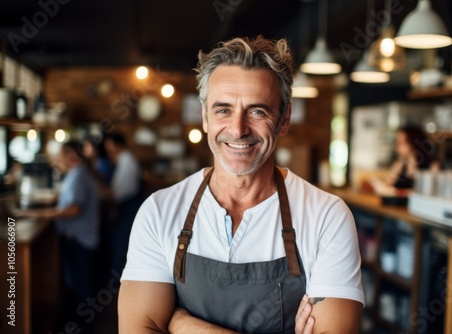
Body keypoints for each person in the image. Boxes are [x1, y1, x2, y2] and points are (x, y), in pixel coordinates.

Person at [118, 36, 364, 333]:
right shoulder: (159, 211)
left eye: (257, 111)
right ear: (205, 118)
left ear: (284, 119)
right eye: (223, 110)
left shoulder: (327, 217)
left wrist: (182, 325)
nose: (237, 129)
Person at [15, 141, 100, 332]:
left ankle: (86, 325)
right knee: (77, 280)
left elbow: (74, 209)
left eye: (62, 154)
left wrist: (40, 213)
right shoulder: (77, 173)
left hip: (80, 237)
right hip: (80, 235)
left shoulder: (78, 176)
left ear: (72, 155)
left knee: (81, 282)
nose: (60, 158)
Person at [103, 133, 143, 277]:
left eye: (109, 145)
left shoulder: (127, 162)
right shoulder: (123, 160)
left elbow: (118, 192)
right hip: (126, 206)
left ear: (117, 145)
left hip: (129, 207)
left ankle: (118, 282)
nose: (108, 149)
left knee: (121, 243)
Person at [371, 125, 439, 196]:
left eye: (401, 142)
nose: (397, 146)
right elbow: (388, 182)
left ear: (413, 143)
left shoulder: (432, 164)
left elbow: (429, 192)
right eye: (397, 142)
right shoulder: (401, 162)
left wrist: (394, 192)